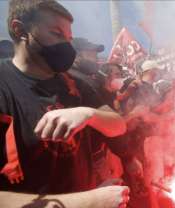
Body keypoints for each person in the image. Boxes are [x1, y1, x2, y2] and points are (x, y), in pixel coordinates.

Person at [0, 0, 129, 208]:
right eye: (57, 34)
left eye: (69, 38)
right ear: (20, 30)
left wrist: (88, 114)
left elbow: (118, 125)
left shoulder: (74, 83)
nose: (66, 46)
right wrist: (91, 201)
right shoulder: (4, 86)